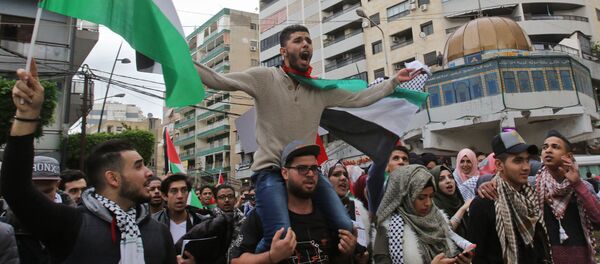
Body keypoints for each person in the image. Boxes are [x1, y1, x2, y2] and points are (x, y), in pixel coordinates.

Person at [195, 24, 419, 251]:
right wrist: (181, 61)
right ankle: (254, 257)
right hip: (270, 171)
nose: (305, 44)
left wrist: (393, 82)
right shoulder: (264, 78)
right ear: (283, 51)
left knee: (344, 226)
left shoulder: (318, 89)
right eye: (298, 40)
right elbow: (219, 80)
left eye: (308, 41)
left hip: (308, 170)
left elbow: (360, 98)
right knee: (279, 236)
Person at [0, 64, 178, 263]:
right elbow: (16, 189)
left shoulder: (159, 233)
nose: (148, 173)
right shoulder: (71, 224)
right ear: (113, 178)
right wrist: (27, 115)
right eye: (138, 166)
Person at [478, 130, 600, 264]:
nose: (548, 150)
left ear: (568, 156)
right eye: (545, 147)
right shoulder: (532, 185)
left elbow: (597, 219)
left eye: (555, 147)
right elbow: (506, 181)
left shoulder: (583, 187)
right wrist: (487, 184)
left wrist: (577, 184)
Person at [229, 140, 357, 263]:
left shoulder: (329, 215)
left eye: (314, 168)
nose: (310, 174)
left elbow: (336, 259)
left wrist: (347, 253)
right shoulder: (263, 215)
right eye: (302, 168)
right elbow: (235, 260)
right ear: (285, 173)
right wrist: (271, 257)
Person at [468, 131, 551, 264]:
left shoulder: (531, 198)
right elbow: (477, 256)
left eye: (527, 160)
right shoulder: (483, 203)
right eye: (518, 161)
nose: (526, 167)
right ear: (499, 165)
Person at [372, 165, 472, 264]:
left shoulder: (438, 219)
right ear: (405, 197)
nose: (428, 203)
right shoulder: (389, 230)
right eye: (421, 197)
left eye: (431, 196)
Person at [2, 156, 75, 263]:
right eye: (34, 193)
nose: (40, 200)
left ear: (58, 184)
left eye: (47, 191)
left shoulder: (77, 222)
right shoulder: (6, 227)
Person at [322, 159, 370, 264]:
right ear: (324, 180)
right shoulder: (318, 210)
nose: (343, 178)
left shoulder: (356, 208)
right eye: (336, 174)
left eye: (345, 174)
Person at [153, 173, 207, 242]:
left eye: (184, 190)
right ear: (164, 196)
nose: (180, 196)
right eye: (174, 191)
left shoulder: (202, 222)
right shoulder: (153, 222)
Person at [430, 165, 471, 238]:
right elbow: (445, 233)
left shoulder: (458, 199)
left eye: (450, 177)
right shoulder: (433, 205)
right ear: (435, 184)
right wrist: (462, 209)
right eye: (441, 179)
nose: (448, 181)